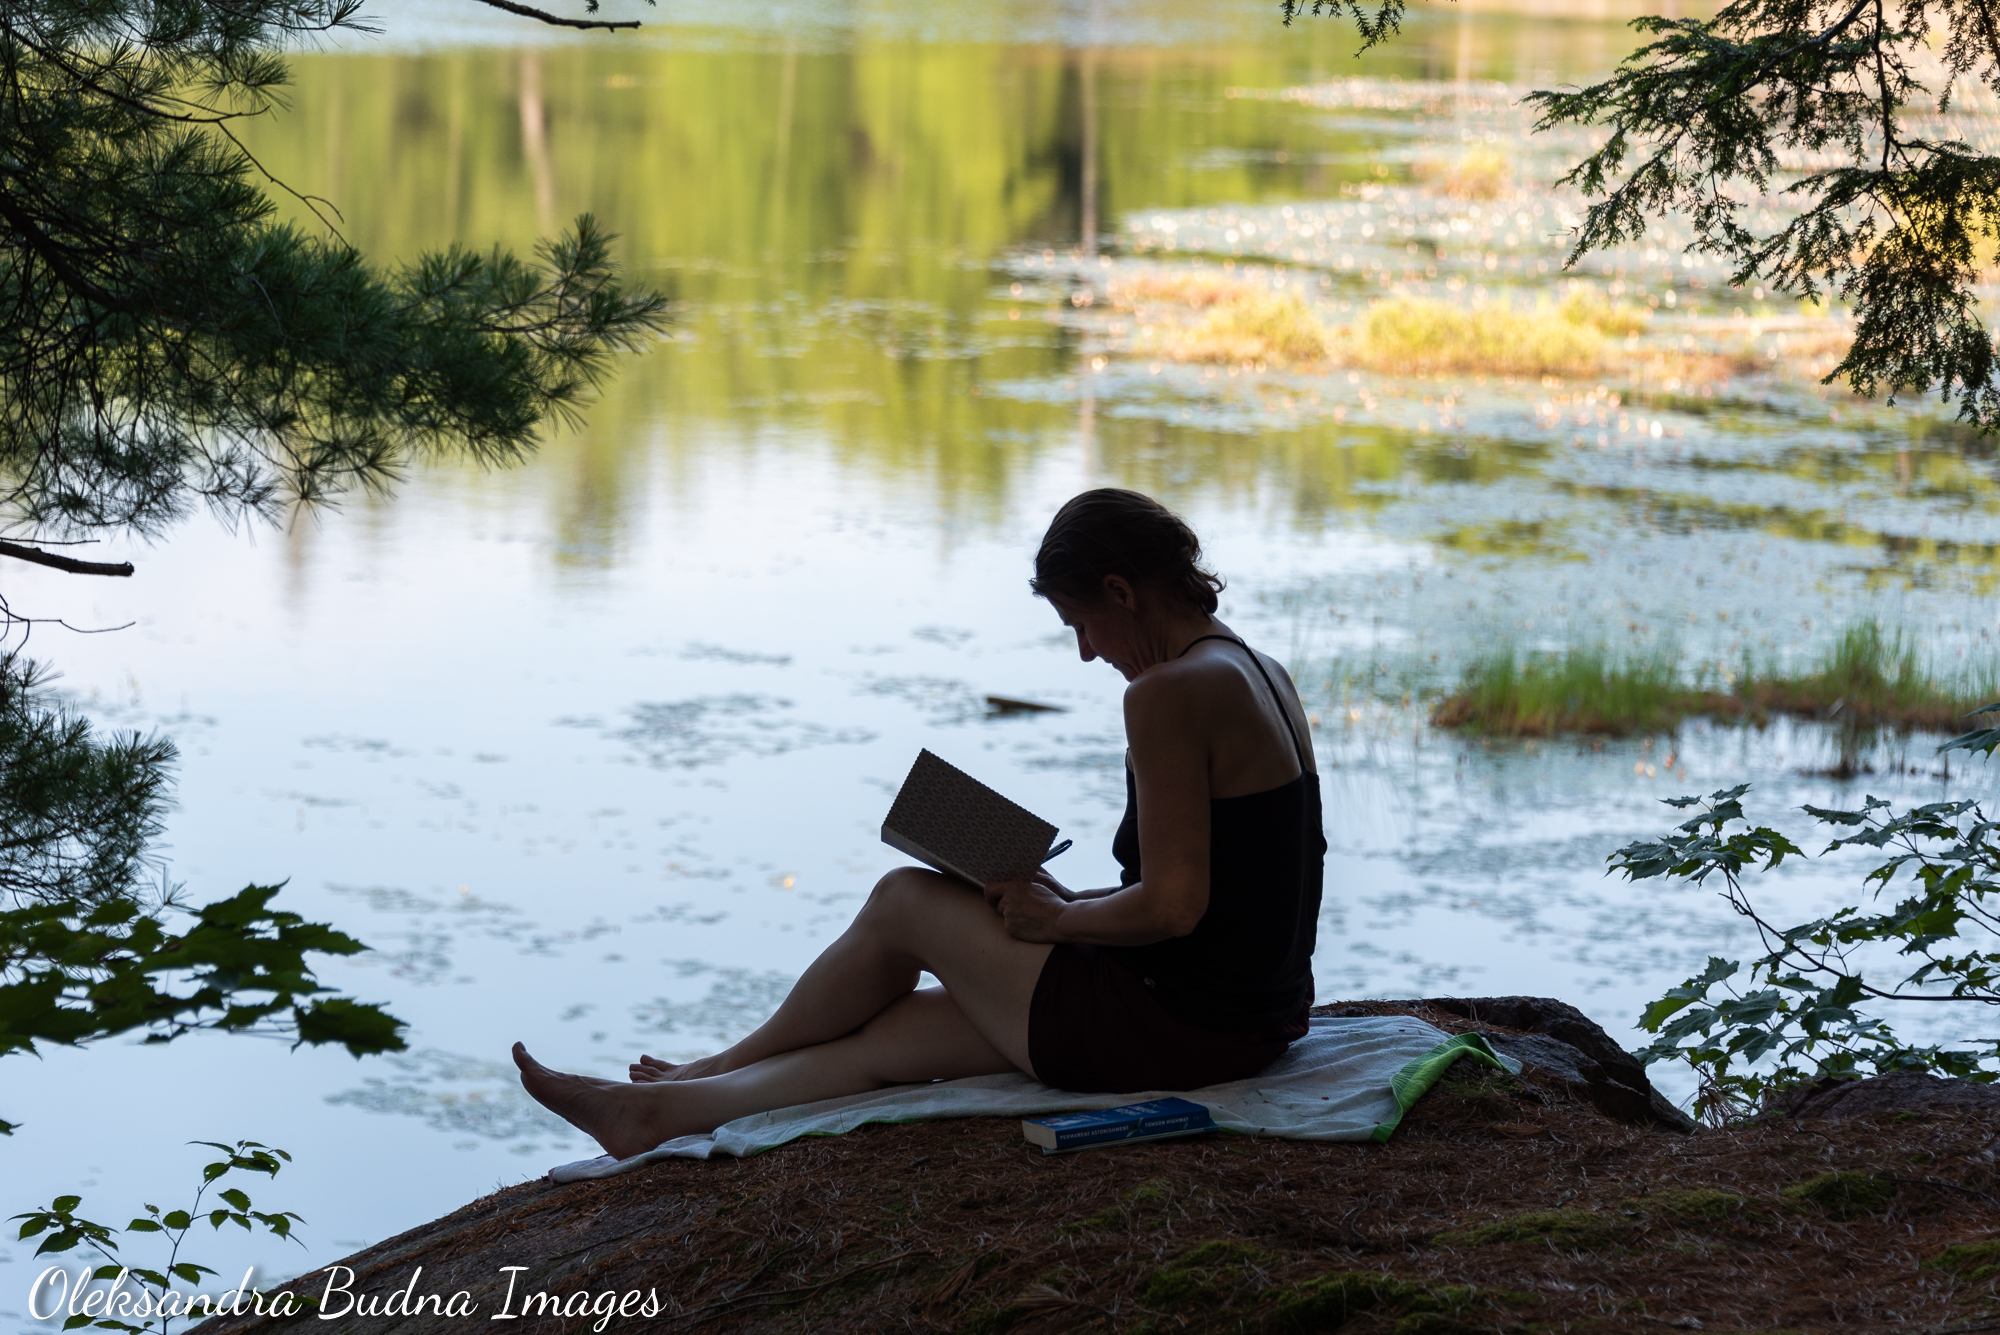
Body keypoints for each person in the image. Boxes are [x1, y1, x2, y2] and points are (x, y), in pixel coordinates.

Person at [514, 488, 1325, 1159]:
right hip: (1250, 1018)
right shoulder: (1258, 669)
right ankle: (655, 1114)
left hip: (1178, 1024)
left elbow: (1175, 907)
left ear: (1120, 590)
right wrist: (1063, 902)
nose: (1086, 652)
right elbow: (1231, 889)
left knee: (904, 897)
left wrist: (1062, 917)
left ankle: (717, 1061)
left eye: (1083, 624)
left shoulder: (1168, 691)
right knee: (895, 1035)